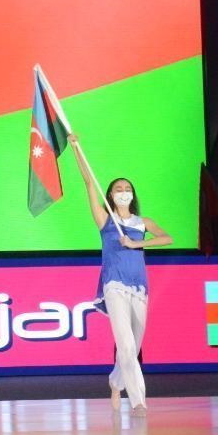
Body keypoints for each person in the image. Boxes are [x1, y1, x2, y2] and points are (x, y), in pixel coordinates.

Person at [69, 134, 172, 415]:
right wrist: (77, 148)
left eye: (127, 188)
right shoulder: (105, 220)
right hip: (114, 285)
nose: (123, 192)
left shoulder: (142, 222)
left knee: (133, 347)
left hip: (139, 287)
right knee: (125, 344)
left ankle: (116, 382)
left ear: (132, 195)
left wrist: (136, 243)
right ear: (111, 195)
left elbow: (167, 238)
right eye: (118, 189)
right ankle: (138, 401)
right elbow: (89, 183)